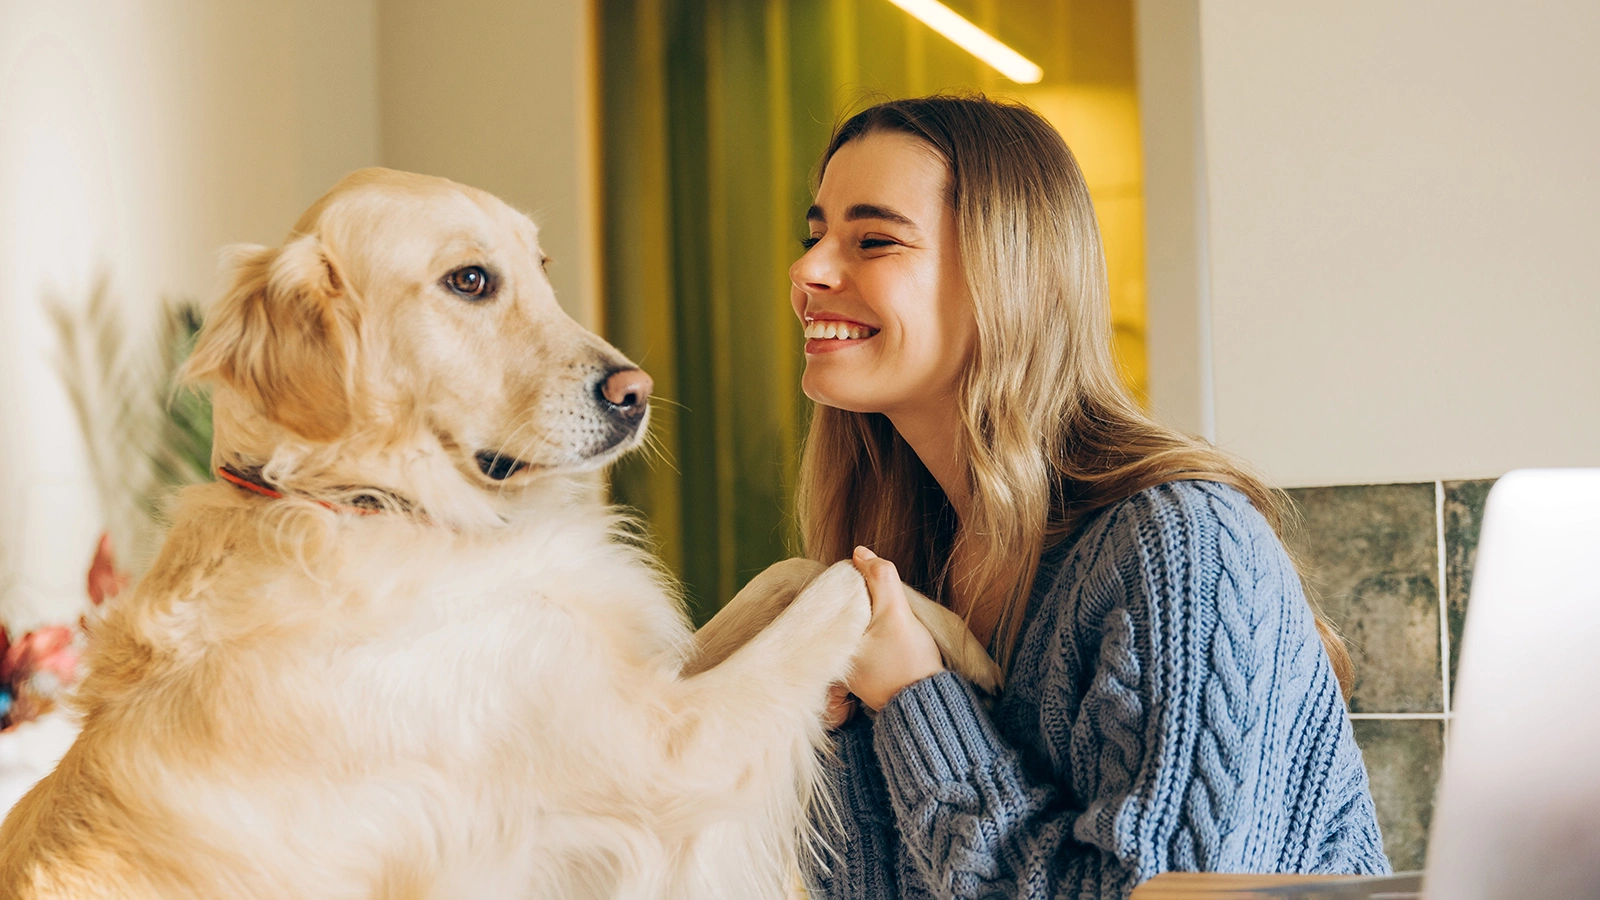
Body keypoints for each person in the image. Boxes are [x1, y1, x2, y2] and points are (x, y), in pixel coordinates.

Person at [787, 95, 1390, 899]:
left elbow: (1154, 892)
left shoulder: (1182, 548)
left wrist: (913, 703)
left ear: (1010, 279)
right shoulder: (911, 570)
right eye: (813, 235)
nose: (808, 271)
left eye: (873, 240)